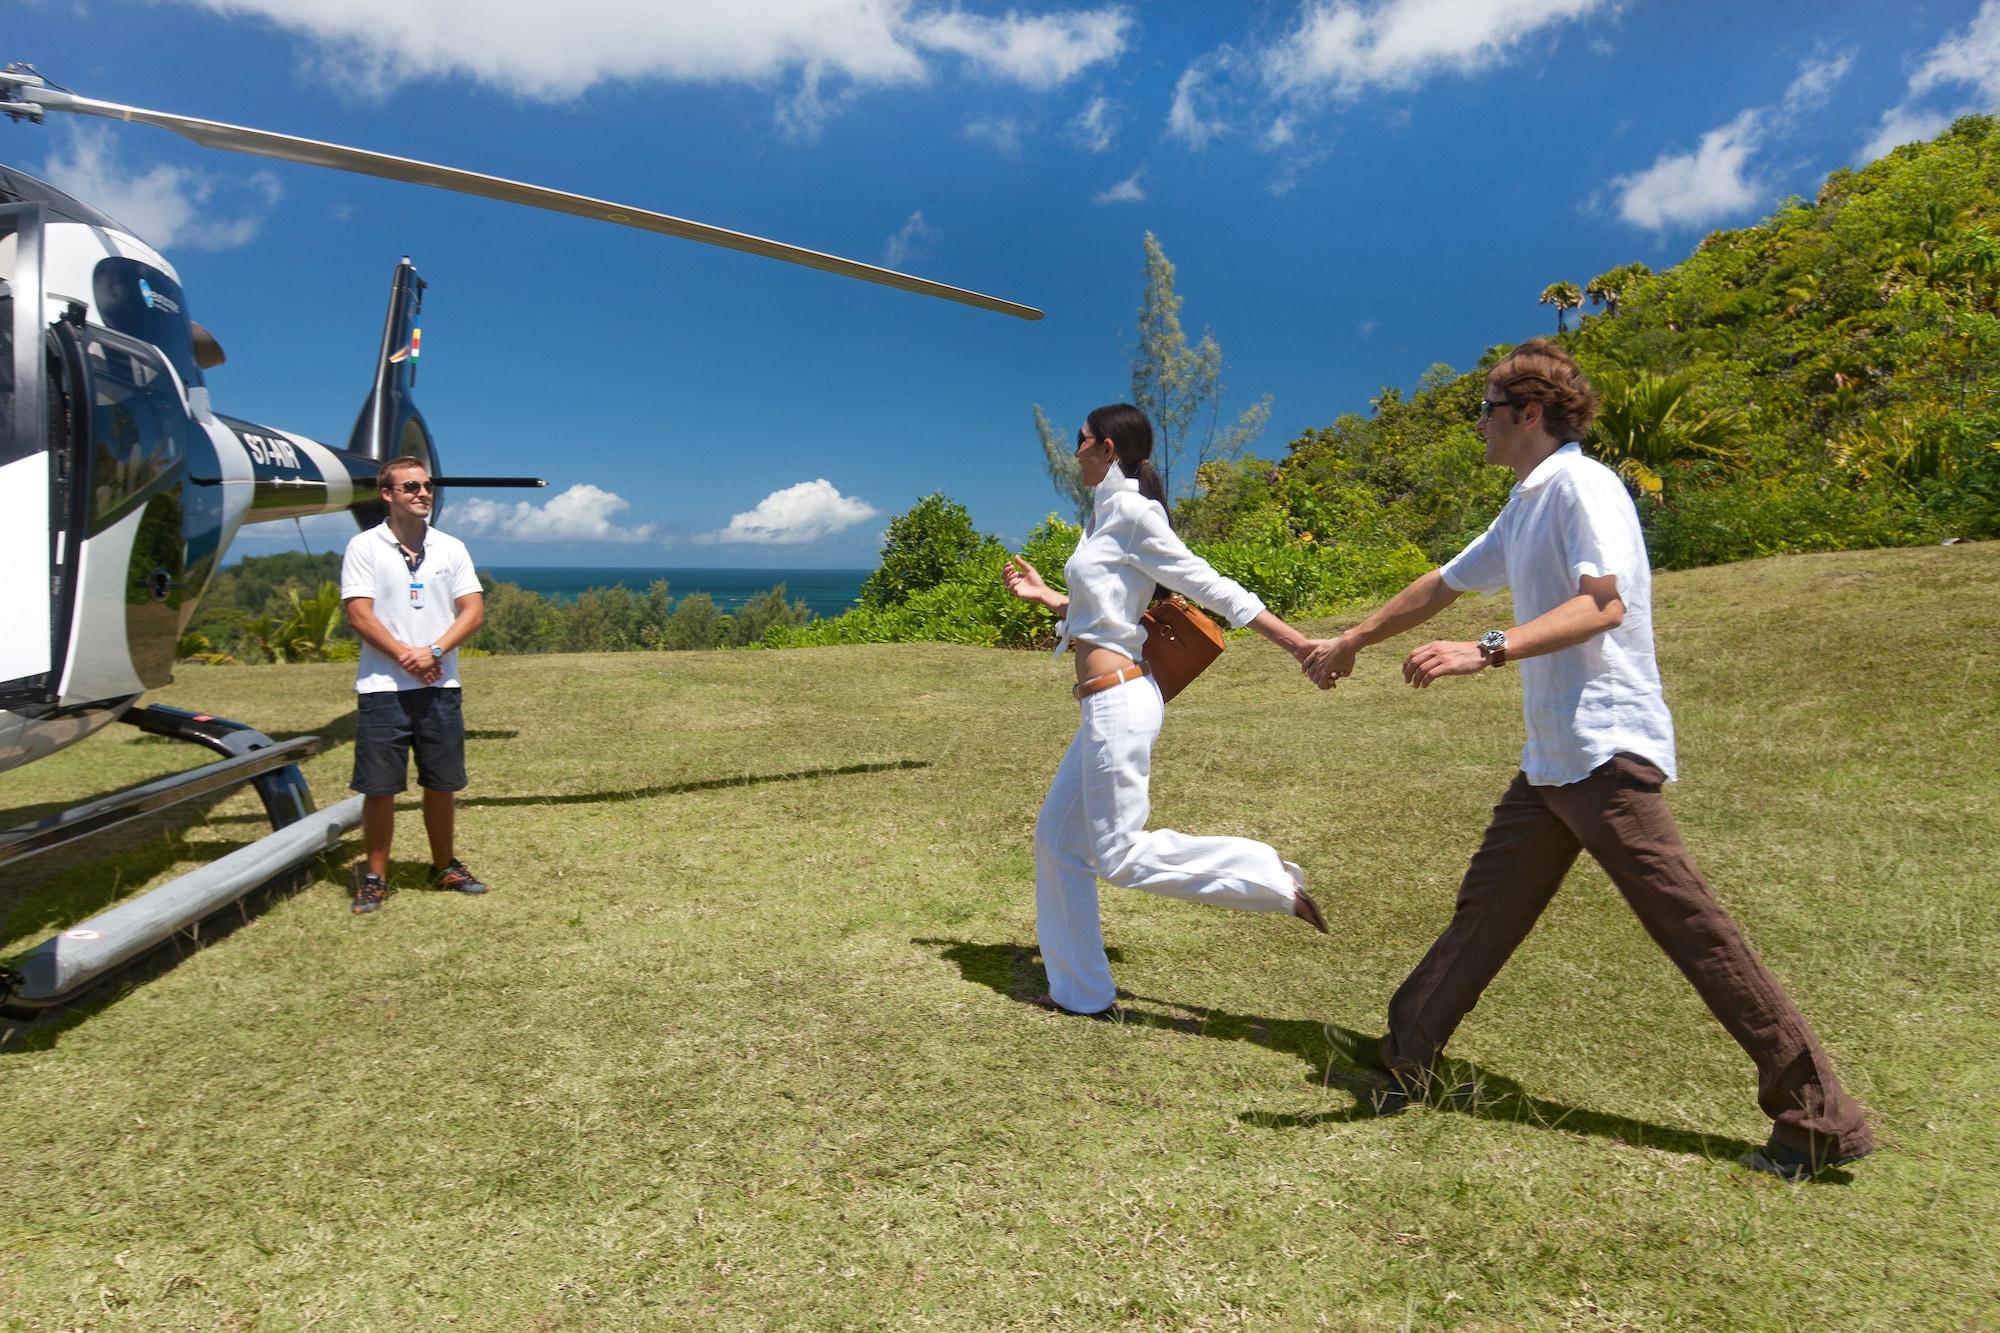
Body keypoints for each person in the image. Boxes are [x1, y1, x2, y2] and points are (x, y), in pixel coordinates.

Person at [1304, 340, 1873, 1180]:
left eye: (1488, 410)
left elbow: (1603, 603)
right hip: (1555, 761)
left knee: (1693, 927)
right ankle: (1406, 1053)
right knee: (1486, 909)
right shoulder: (1526, 502)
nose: (1480, 426)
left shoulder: (1581, 484)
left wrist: (1487, 649)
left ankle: (1819, 1116)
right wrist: (1351, 638)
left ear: (1528, 414)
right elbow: (1444, 582)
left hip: (1606, 750)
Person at [1002, 403, 1330, 1018]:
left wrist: (1298, 645)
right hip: (1107, 699)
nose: (1073, 453)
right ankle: (1081, 991)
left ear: (1105, 448)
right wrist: (1047, 595)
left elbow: (1210, 585)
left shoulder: (1131, 510)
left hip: (1121, 702)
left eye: (1080, 442)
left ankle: (1268, 880)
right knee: (1056, 840)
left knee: (1118, 854)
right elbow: (1103, 613)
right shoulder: (1103, 513)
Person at [340, 456, 489, 915]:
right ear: (387, 495)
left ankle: (445, 865)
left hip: (440, 686)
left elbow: (473, 611)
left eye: (426, 486)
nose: (422, 493)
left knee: (442, 783)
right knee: (380, 787)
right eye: (410, 487)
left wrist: (435, 652)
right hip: (383, 687)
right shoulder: (364, 547)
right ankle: (375, 876)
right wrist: (408, 655)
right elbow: (359, 614)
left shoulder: (451, 548)